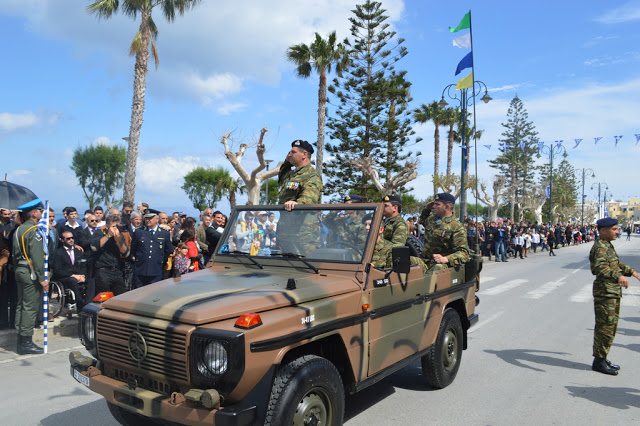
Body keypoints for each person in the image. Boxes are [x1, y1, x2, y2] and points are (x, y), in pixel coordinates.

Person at [589, 218, 640, 375]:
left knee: (610, 326)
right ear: (603, 231)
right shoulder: (600, 248)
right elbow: (599, 268)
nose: (618, 231)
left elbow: (616, 264)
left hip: (610, 292)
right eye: (614, 229)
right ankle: (599, 361)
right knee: (605, 327)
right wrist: (618, 276)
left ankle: (602, 358)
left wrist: (633, 273)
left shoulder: (607, 245)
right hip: (605, 292)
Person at [12, 199, 48, 355]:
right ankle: (26, 342)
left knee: (21, 305)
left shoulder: (19, 230)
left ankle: (21, 339)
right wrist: (42, 278)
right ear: (34, 213)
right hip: (30, 271)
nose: (41, 213)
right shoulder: (33, 231)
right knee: (30, 307)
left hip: (20, 269)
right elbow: (37, 257)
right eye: (40, 211)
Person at [277, 140, 323, 254]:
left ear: (304, 154)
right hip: (286, 231)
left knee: (307, 266)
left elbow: (309, 197)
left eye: (293, 152)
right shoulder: (291, 175)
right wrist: (287, 162)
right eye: (289, 152)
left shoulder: (312, 175)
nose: (290, 154)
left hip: (303, 233)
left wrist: (297, 203)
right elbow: (282, 174)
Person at [418, 193, 470, 274]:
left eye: (437, 204)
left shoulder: (456, 226)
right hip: (426, 261)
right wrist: (427, 209)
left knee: (437, 268)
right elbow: (422, 220)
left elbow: (464, 253)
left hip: (443, 265)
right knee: (406, 261)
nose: (433, 207)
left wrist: (446, 259)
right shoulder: (431, 220)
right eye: (434, 204)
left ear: (447, 207)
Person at [52, 231, 95, 313]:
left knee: (91, 280)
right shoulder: (58, 253)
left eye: (72, 238)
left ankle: (88, 304)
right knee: (73, 281)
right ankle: (80, 305)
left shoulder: (78, 251)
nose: (71, 240)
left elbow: (83, 265)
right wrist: (72, 275)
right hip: (65, 277)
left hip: (78, 275)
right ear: (62, 240)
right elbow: (58, 270)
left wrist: (82, 276)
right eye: (68, 238)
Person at [130, 209, 174, 287]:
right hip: (141, 269)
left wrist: (160, 259)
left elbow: (168, 250)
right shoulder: (139, 232)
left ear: (157, 219)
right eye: (146, 218)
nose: (148, 220)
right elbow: (133, 248)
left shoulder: (164, 233)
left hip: (156, 269)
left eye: (150, 218)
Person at [91, 214, 130, 295]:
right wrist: (108, 235)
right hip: (103, 270)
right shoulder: (99, 233)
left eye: (117, 226)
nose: (116, 229)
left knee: (121, 295)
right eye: (113, 226)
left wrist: (119, 240)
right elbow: (94, 247)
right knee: (104, 295)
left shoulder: (119, 235)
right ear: (107, 226)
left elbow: (125, 253)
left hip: (117, 270)